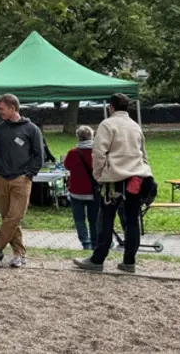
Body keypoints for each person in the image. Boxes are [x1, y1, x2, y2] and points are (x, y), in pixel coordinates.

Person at [74, 93, 156, 274]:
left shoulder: (107, 125)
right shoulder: (135, 126)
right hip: (136, 177)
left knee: (105, 220)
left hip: (114, 180)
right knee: (132, 221)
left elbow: (98, 152)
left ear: (111, 107)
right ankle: (129, 261)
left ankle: (97, 259)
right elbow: (143, 153)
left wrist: (98, 175)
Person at [0, 93, 43, 268]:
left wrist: (29, 174)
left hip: (22, 179)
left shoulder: (32, 129)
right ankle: (19, 254)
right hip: (2, 178)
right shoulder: (0, 129)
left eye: (1, 109)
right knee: (8, 217)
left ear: (12, 108)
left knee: (15, 216)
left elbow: (38, 155)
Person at [64, 125, 100, 250]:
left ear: (78, 137)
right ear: (92, 136)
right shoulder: (97, 152)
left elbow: (67, 166)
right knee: (94, 219)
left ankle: (85, 242)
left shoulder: (72, 153)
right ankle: (95, 242)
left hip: (76, 192)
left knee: (79, 219)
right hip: (93, 191)